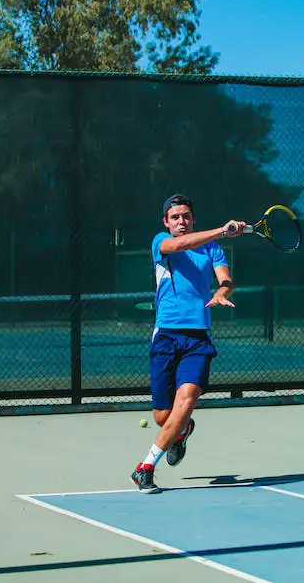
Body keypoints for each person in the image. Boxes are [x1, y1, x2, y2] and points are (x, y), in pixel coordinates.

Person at [131, 193, 246, 494]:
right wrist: (223, 229)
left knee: (187, 400)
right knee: (162, 417)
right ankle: (182, 431)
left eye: (186, 216)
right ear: (166, 223)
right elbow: (181, 245)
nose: (181, 221)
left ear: (193, 219)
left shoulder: (213, 249)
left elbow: (226, 279)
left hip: (197, 338)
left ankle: (145, 467)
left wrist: (224, 291)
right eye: (175, 217)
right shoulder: (161, 243)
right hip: (166, 336)